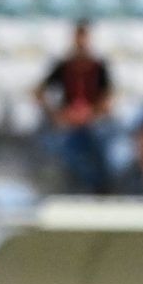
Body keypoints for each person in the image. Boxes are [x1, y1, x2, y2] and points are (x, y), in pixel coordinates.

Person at [39, 21, 115, 195]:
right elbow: (40, 92)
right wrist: (57, 115)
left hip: (92, 120)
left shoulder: (98, 66)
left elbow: (107, 96)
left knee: (102, 146)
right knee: (67, 151)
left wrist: (92, 114)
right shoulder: (64, 65)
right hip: (68, 120)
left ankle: (100, 188)